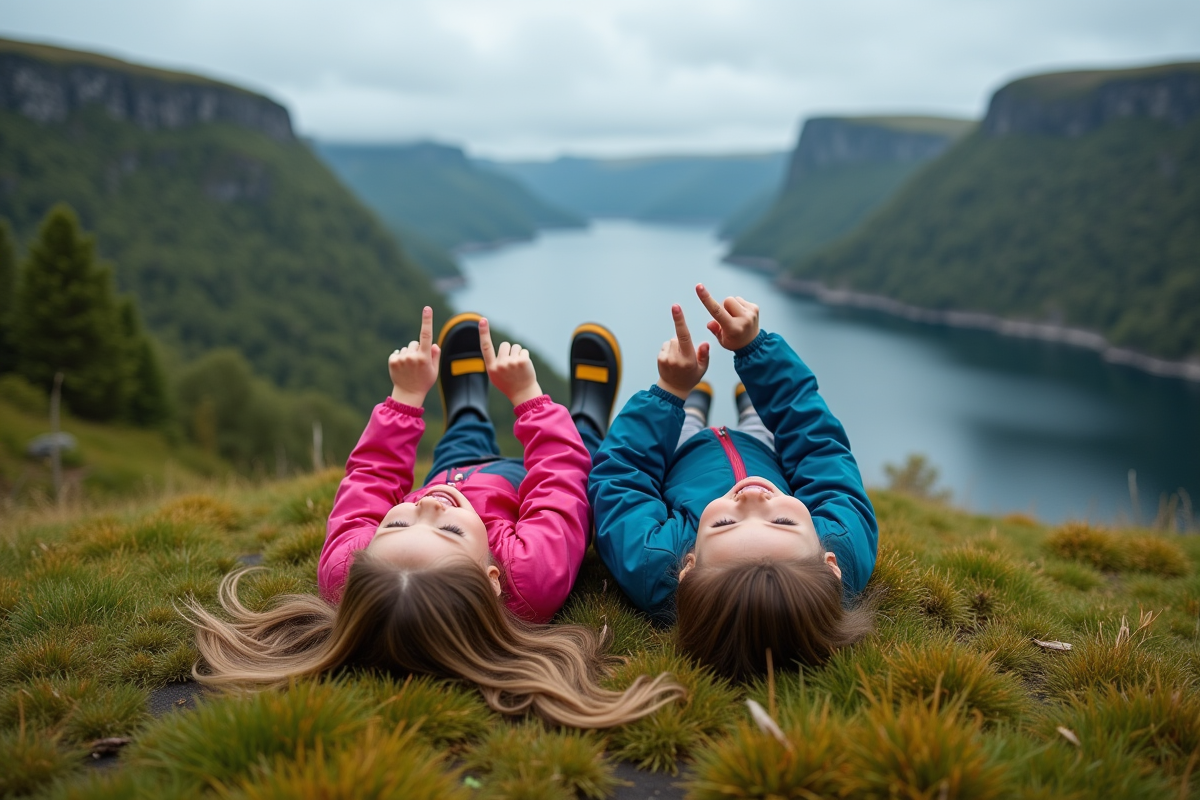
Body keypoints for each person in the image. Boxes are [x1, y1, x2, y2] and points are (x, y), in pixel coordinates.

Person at [187, 307, 683, 728]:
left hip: (454, 471)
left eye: (395, 524)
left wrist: (405, 397)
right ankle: (589, 413)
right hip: (521, 485)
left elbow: (369, 480)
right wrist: (529, 397)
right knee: (582, 447)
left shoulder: (347, 573)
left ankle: (465, 406)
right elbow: (560, 483)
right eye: (447, 531)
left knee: (461, 437)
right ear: (492, 578)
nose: (424, 506)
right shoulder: (530, 578)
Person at [589, 285, 877, 681]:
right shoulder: (844, 543)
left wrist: (670, 390)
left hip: (682, 456)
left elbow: (622, 478)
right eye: (782, 522)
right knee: (765, 427)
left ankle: (693, 404)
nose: (752, 499)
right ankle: (749, 405)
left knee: (683, 423)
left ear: (687, 569)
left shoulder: (654, 561)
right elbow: (819, 448)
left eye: (725, 524)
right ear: (831, 566)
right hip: (765, 452)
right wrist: (756, 351)